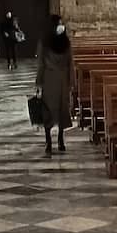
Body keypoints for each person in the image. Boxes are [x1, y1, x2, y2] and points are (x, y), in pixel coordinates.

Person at [36, 14, 73, 156]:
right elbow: (70, 63)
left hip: (51, 79)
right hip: (59, 80)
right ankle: (57, 140)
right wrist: (71, 81)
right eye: (59, 23)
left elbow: (41, 64)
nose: (61, 26)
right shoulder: (62, 41)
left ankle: (53, 140)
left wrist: (39, 82)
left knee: (54, 110)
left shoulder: (48, 42)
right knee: (56, 109)